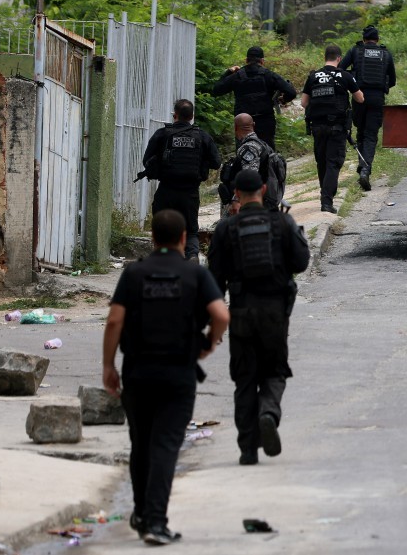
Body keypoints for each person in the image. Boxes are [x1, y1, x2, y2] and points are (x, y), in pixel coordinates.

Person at [102, 209, 228, 546]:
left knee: (141, 444)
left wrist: (108, 366)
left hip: (138, 372)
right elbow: (221, 314)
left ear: (153, 238)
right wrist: (208, 345)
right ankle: (155, 522)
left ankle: (142, 513)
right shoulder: (195, 275)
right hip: (178, 374)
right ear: (184, 239)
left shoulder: (133, 274)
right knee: (165, 445)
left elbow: (114, 321)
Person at [207, 168, 310, 467]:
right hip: (275, 313)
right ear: (264, 190)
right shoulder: (281, 221)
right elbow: (301, 263)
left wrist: (215, 321)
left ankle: (247, 449)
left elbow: (214, 280)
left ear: (236, 193)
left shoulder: (226, 230)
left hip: (240, 313)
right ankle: (268, 412)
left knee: (244, 380)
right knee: (274, 372)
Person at [141, 99, 221, 261]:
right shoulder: (202, 136)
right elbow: (216, 162)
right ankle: (192, 255)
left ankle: (161, 258)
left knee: (161, 227)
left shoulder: (162, 134)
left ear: (175, 115)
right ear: (192, 116)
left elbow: (147, 160)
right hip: (190, 192)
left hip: (166, 189)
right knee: (191, 230)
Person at [300, 44, 364, 214]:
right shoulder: (344, 75)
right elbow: (360, 99)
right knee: (333, 162)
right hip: (337, 127)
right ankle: (326, 202)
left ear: (324, 57)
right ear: (339, 58)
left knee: (322, 162)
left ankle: (325, 195)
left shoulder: (313, 76)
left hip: (317, 127)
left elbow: (304, 103)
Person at [338, 26, 397, 192]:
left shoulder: (356, 51)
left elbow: (340, 70)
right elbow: (392, 80)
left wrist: (353, 79)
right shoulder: (386, 54)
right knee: (371, 135)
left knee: (361, 132)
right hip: (377, 99)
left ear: (364, 39)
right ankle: (365, 170)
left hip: (359, 97)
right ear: (377, 40)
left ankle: (362, 166)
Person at [210, 46, 297, 150]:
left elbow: (216, 90)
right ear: (262, 61)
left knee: (244, 152)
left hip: (243, 123)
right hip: (265, 120)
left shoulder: (237, 76)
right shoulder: (268, 75)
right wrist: (283, 99)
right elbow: (291, 92)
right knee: (268, 153)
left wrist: (228, 72)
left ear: (246, 60)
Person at [217, 114, 283, 214]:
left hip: (248, 204)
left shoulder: (249, 148)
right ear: (254, 125)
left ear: (235, 127)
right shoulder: (263, 144)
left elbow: (249, 177)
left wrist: (236, 200)